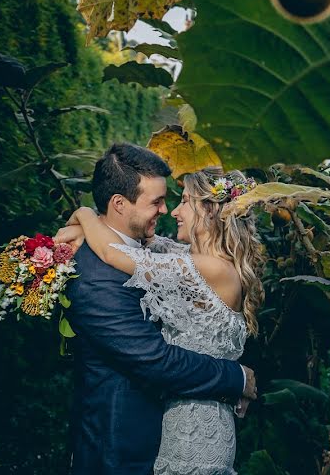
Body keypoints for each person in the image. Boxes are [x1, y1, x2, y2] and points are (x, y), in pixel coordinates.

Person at [56, 144, 262, 475]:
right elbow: (153, 357)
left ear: (210, 211)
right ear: (119, 204)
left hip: (195, 430)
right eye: (159, 201)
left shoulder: (208, 268)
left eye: (180, 201)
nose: (170, 211)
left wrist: (84, 215)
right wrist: (236, 379)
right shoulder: (111, 274)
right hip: (125, 446)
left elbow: (118, 254)